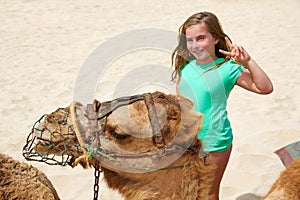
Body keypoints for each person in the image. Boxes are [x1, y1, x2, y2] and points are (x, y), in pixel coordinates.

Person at [171, 11, 273, 200]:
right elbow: (181, 99)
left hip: (214, 140)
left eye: (201, 38)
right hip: (186, 140)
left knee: (208, 193)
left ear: (216, 38)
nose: (194, 45)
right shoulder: (186, 66)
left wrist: (248, 62)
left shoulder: (228, 68)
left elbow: (265, 88)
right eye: (190, 40)